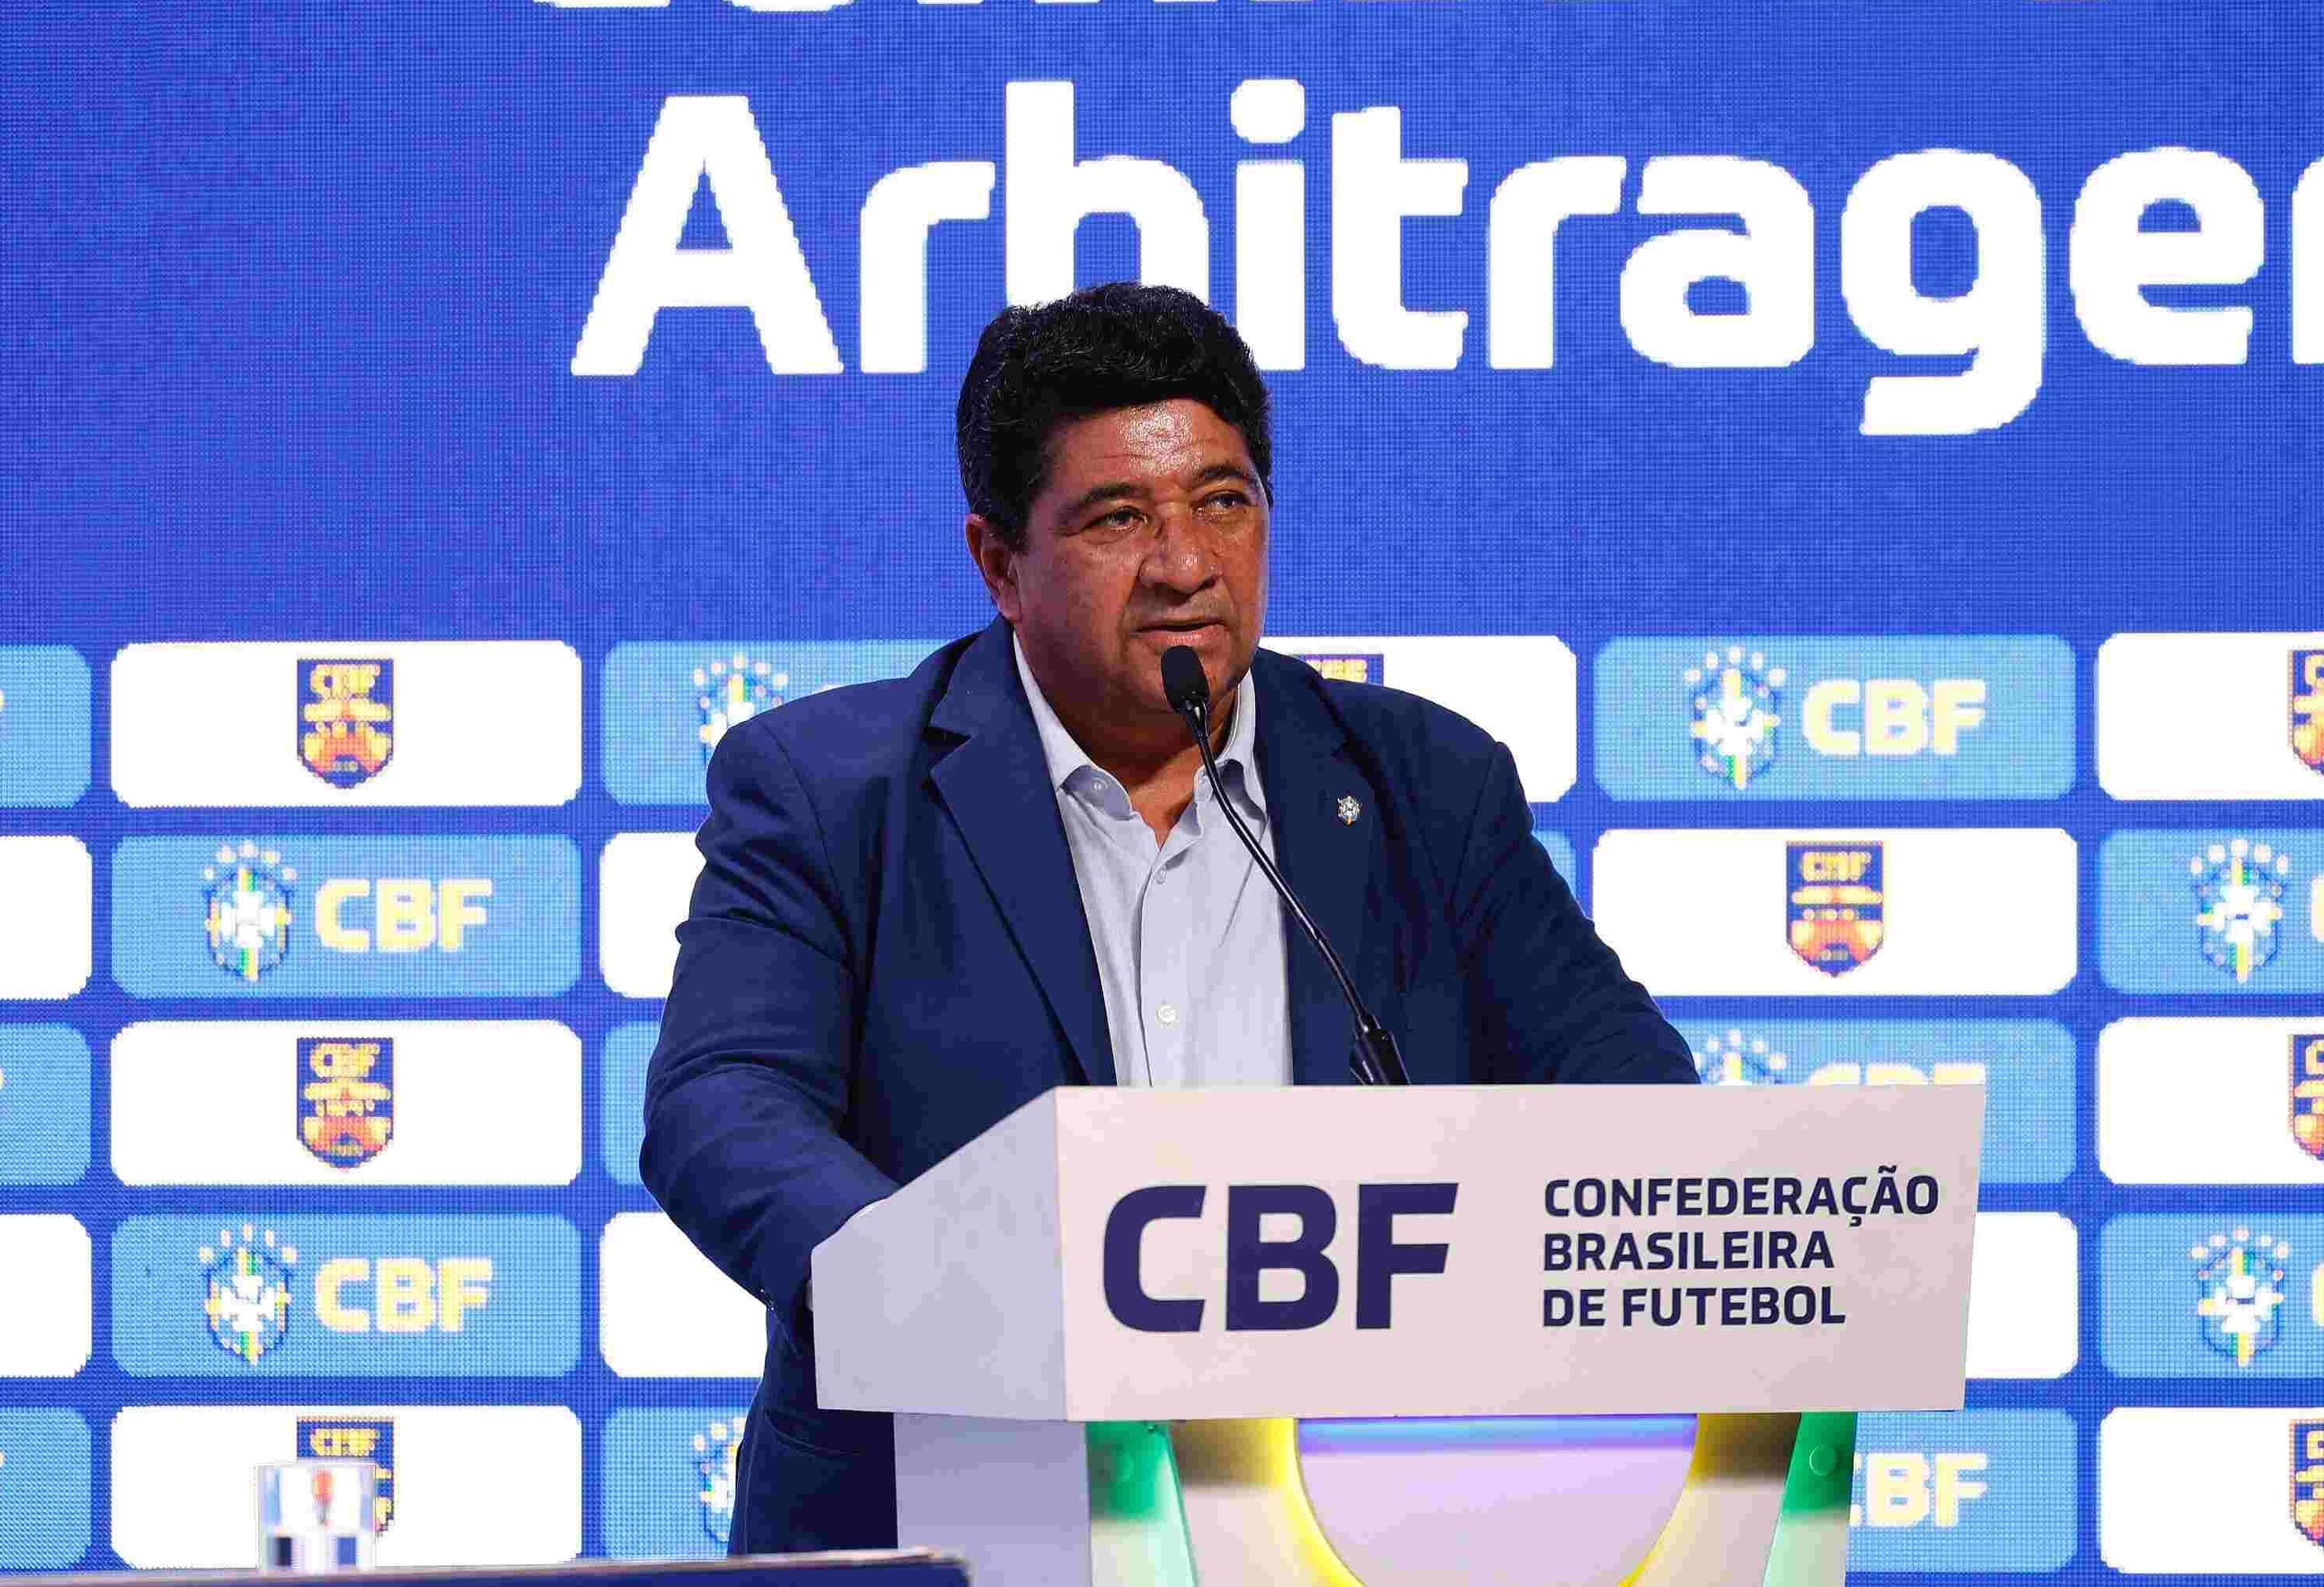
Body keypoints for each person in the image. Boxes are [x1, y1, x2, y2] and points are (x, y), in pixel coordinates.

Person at [643, 281, 1694, 1554]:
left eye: (1223, 501)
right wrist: (932, 1284)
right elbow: (722, 1105)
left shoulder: (1427, 784)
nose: (1186, 563)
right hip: (946, 1505)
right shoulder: (831, 789)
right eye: (1119, 516)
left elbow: (1632, 1101)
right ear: (999, 564)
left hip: (1352, 1527)